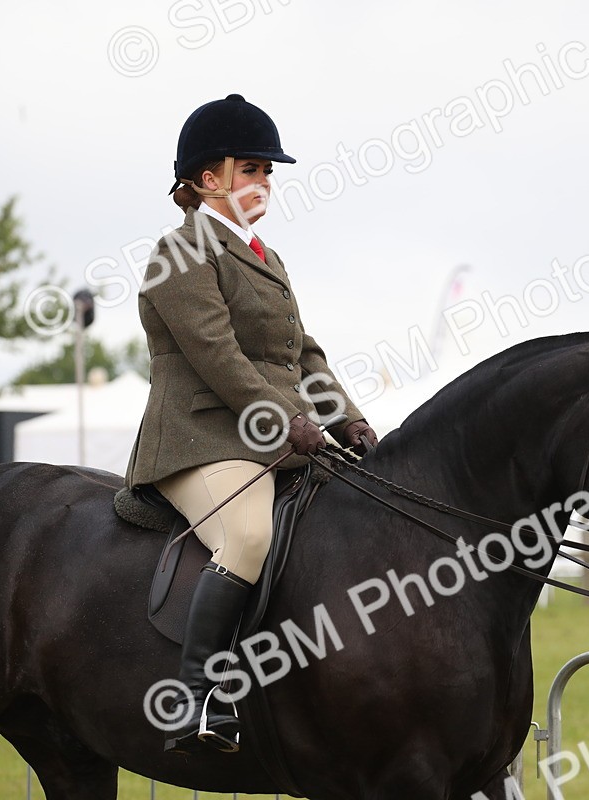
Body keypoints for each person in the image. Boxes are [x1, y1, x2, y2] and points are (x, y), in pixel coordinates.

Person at [124, 94, 378, 755]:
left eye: (268, 172)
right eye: (253, 169)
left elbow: (304, 352)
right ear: (207, 179)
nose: (265, 182)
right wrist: (288, 418)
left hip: (275, 436)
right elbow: (218, 356)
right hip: (200, 439)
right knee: (247, 533)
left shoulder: (266, 257)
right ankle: (196, 701)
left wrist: (349, 421)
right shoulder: (178, 254)